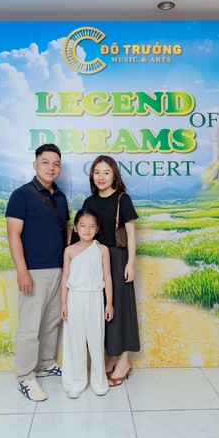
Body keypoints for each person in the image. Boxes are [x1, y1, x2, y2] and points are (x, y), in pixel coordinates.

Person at [6, 143, 69, 401]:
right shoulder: (21, 195)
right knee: (30, 326)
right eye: (45, 162)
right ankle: (25, 377)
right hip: (34, 271)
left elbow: (66, 230)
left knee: (52, 321)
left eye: (56, 164)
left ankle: (45, 363)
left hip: (59, 269)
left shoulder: (60, 196)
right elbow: (13, 234)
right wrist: (22, 271)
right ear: (35, 165)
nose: (51, 168)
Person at [81, 155, 139, 387]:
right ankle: (109, 357)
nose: (101, 177)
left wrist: (130, 263)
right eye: (97, 172)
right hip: (96, 258)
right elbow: (84, 232)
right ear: (92, 176)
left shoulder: (123, 199)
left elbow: (131, 233)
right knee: (101, 309)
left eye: (106, 172)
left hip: (117, 258)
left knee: (121, 308)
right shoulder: (89, 201)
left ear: (114, 175)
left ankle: (123, 360)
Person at [60, 209, 114, 399]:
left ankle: (99, 381)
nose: (87, 229)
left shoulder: (102, 250)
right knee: (75, 341)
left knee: (96, 340)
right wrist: (63, 303)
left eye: (92, 226)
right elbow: (65, 278)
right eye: (83, 225)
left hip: (95, 298)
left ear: (97, 229)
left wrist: (109, 304)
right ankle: (75, 381)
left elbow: (107, 277)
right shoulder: (69, 251)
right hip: (74, 298)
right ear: (75, 228)